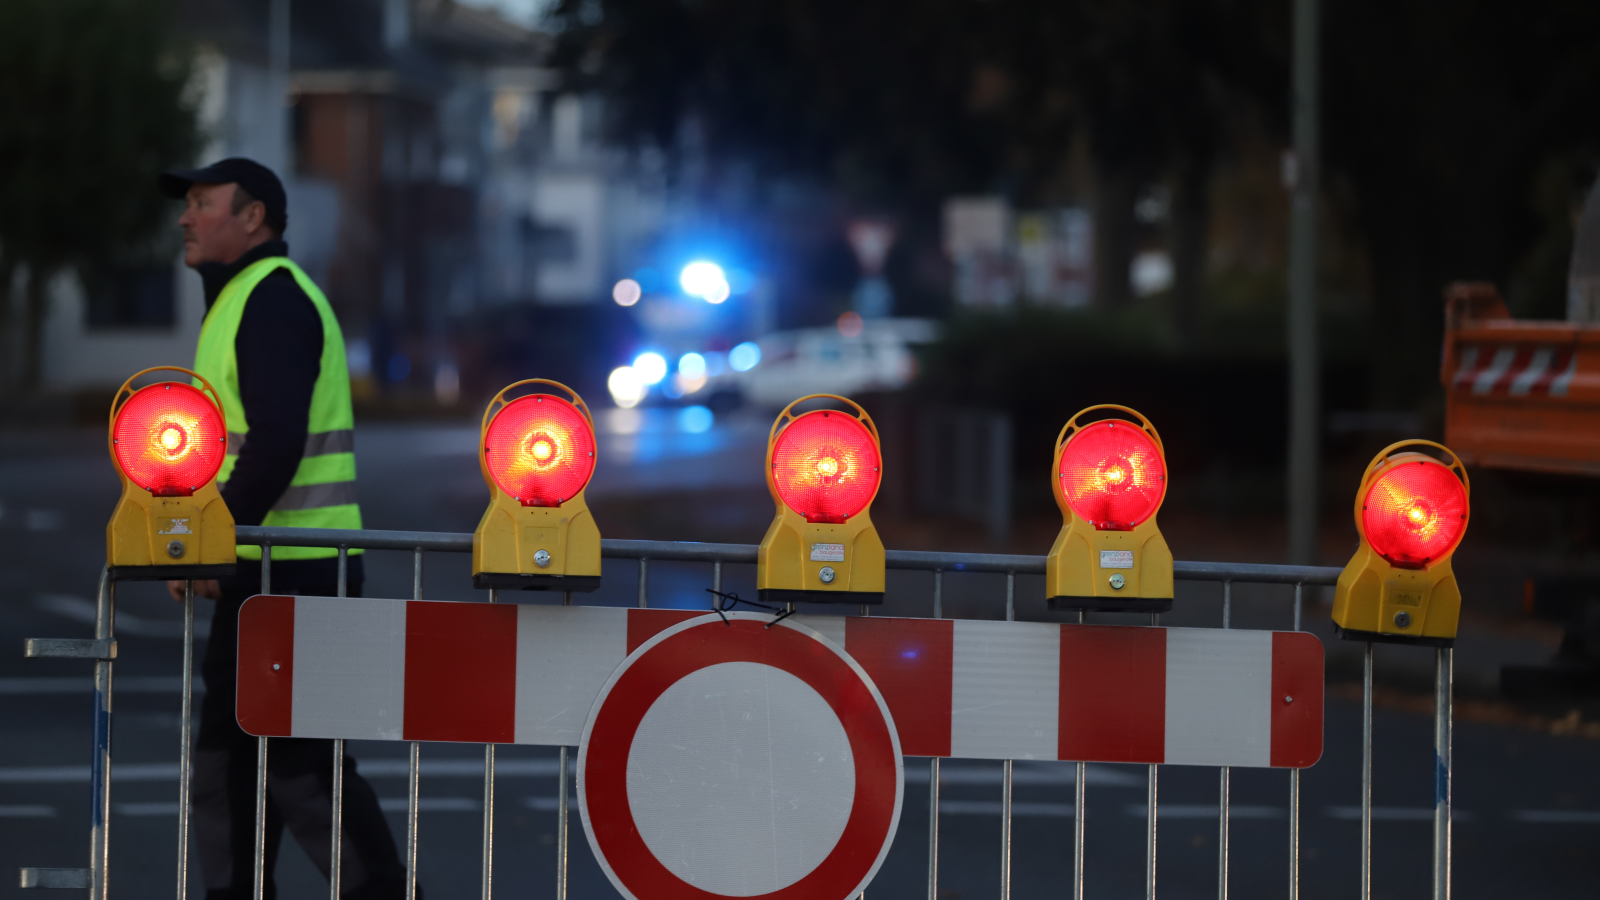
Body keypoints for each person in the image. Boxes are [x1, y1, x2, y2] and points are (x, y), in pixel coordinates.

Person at [158, 158, 409, 899]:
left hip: (293, 573)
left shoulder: (269, 301)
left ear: (253, 218)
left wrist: (216, 537)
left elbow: (274, 442)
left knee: (297, 771)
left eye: (203, 202)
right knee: (237, 767)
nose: (186, 217)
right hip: (281, 571)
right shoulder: (247, 298)